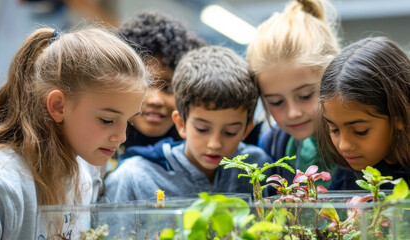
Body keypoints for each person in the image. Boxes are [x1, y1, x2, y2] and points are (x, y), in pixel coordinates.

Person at [0, 27, 150, 239]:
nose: (122, 136)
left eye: (129, 121)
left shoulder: (86, 172)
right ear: (59, 106)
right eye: (107, 120)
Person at [102, 46, 273, 202]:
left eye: (230, 132)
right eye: (202, 129)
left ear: (246, 130)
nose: (215, 144)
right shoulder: (133, 178)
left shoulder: (258, 167)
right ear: (181, 124)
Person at [246, 0, 340, 186]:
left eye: (305, 96)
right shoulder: (272, 146)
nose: (293, 113)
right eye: (275, 102)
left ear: (334, 75)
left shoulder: (363, 140)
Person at [105, 10, 206, 173]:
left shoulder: (201, 153)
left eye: (169, 88)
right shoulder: (97, 147)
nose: (155, 100)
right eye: (145, 85)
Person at [318, 36, 410, 190]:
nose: (343, 145)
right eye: (334, 129)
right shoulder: (347, 178)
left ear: (398, 119)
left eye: (360, 131)